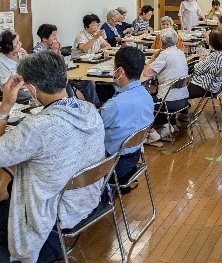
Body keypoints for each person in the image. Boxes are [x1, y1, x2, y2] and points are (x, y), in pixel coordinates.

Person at [0, 51, 105, 263]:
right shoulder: (90, 110)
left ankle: (35, 257)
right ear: (65, 79)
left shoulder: (38, 127)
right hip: (85, 199)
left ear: (31, 89)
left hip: (55, 213)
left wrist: (6, 105)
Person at [100, 47, 154, 183]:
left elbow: (95, 128)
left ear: (120, 71)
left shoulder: (115, 105)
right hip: (134, 158)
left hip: (113, 166)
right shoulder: (147, 95)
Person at [33, 23, 98, 105]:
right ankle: (70, 106)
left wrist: (58, 52)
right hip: (51, 79)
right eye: (53, 35)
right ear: (44, 38)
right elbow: (47, 68)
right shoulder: (37, 51)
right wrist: (54, 52)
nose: (56, 38)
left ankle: (95, 105)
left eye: (56, 35)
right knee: (66, 85)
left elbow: (61, 64)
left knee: (86, 82)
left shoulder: (51, 47)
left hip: (62, 74)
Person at [142, 28, 189, 139]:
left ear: (162, 42)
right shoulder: (180, 52)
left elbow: (146, 72)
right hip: (183, 100)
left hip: (168, 102)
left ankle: (152, 134)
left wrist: (153, 57)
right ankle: (167, 125)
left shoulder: (165, 55)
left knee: (140, 101)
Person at [187, 30, 222, 99]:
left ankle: (183, 106)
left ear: (212, 42)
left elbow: (197, 70)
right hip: (217, 85)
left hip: (206, 87)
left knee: (179, 89)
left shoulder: (213, 57)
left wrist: (200, 60)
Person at [0, 29, 31, 104]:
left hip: (28, 84)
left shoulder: (20, 54)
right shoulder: (1, 61)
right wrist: (26, 86)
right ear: (9, 46)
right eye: (17, 42)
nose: (20, 44)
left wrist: (27, 59)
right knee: (34, 95)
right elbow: (7, 86)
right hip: (16, 90)